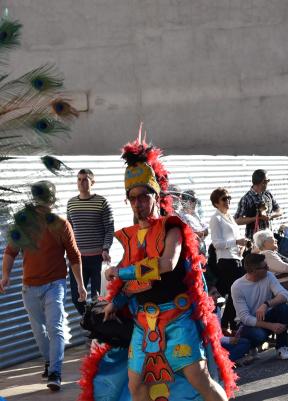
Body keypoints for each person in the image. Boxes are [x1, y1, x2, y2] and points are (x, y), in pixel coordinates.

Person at [78, 137, 234, 401]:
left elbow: (166, 264)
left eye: (143, 196)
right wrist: (115, 301)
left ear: (156, 196)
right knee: (136, 385)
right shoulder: (131, 237)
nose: (138, 203)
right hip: (144, 323)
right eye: (133, 198)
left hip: (177, 318)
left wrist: (122, 271)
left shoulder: (172, 227)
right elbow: (137, 282)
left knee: (199, 378)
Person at [1, 181, 86, 391]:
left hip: (54, 285)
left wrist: (80, 285)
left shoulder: (61, 224)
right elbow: (10, 252)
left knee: (55, 327)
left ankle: (55, 372)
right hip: (29, 287)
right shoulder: (23, 223)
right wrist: (5, 276)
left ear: (50, 200)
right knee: (39, 331)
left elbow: (74, 256)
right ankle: (49, 361)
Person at [66, 168, 114, 315]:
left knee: (96, 299)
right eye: (79, 179)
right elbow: (69, 230)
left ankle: (98, 332)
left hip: (97, 258)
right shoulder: (71, 203)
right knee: (77, 298)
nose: (81, 182)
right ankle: (90, 323)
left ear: (92, 182)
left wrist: (106, 248)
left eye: (85, 179)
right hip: (77, 259)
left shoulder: (102, 202)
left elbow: (109, 228)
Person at [231, 253, 288, 360]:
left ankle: (282, 348)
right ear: (254, 270)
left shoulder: (268, 276)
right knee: (259, 336)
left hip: (265, 315)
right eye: (265, 267)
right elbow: (245, 318)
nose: (268, 268)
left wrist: (266, 304)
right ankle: (251, 348)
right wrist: (271, 326)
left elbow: (285, 295)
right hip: (247, 324)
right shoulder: (237, 286)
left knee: (282, 306)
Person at [209, 187, 247, 333]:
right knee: (237, 292)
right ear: (216, 203)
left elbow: (236, 238)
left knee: (235, 293)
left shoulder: (229, 217)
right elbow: (216, 243)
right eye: (224, 199)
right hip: (226, 261)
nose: (228, 201)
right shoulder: (216, 218)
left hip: (236, 258)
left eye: (229, 198)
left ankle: (231, 324)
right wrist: (236, 242)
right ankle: (226, 323)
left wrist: (241, 247)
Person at [235, 169, 282, 239]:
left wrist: (270, 216)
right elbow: (237, 220)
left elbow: (279, 211)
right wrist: (257, 218)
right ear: (262, 182)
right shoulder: (246, 198)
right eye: (267, 181)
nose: (268, 183)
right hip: (254, 240)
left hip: (269, 238)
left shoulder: (268, 194)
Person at [178, 189, 209, 255]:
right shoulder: (181, 216)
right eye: (193, 200)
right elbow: (187, 234)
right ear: (186, 201)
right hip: (191, 253)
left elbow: (205, 230)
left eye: (196, 200)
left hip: (201, 251)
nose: (196, 203)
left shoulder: (195, 215)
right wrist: (202, 232)